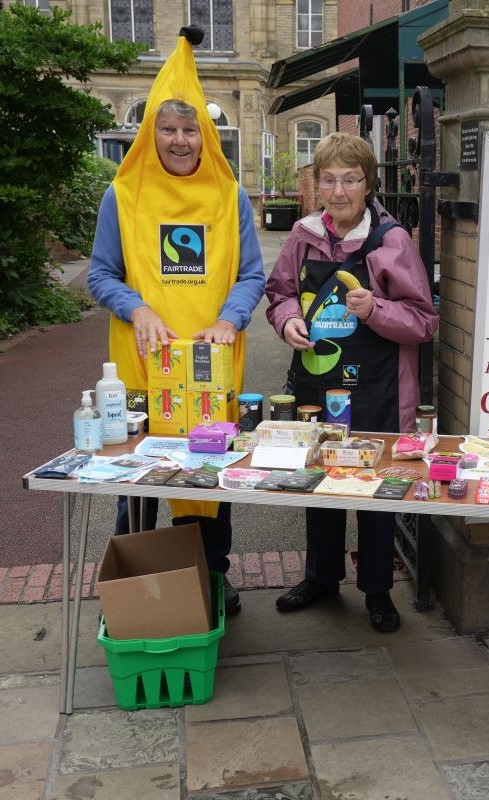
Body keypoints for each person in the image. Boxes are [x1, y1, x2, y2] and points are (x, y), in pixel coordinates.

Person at [88, 27, 265, 616]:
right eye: (168, 128)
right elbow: (100, 275)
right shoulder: (122, 197)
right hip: (143, 367)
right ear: (151, 133)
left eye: (191, 130)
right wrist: (136, 307)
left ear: (205, 135)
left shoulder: (230, 197)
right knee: (137, 480)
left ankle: (212, 577)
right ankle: (136, 586)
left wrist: (230, 319)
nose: (181, 140)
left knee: (210, 480)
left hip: (211, 368)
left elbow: (251, 277)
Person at [265, 132, 438, 632]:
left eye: (351, 180)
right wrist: (287, 320)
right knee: (317, 480)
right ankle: (321, 577)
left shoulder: (391, 241)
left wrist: (376, 309)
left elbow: (423, 321)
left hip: (378, 388)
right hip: (315, 386)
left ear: (368, 184)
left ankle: (377, 590)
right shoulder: (302, 236)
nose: (339, 191)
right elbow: (279, 293)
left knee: (375, 488)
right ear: (316, 184)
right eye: (329, 180)